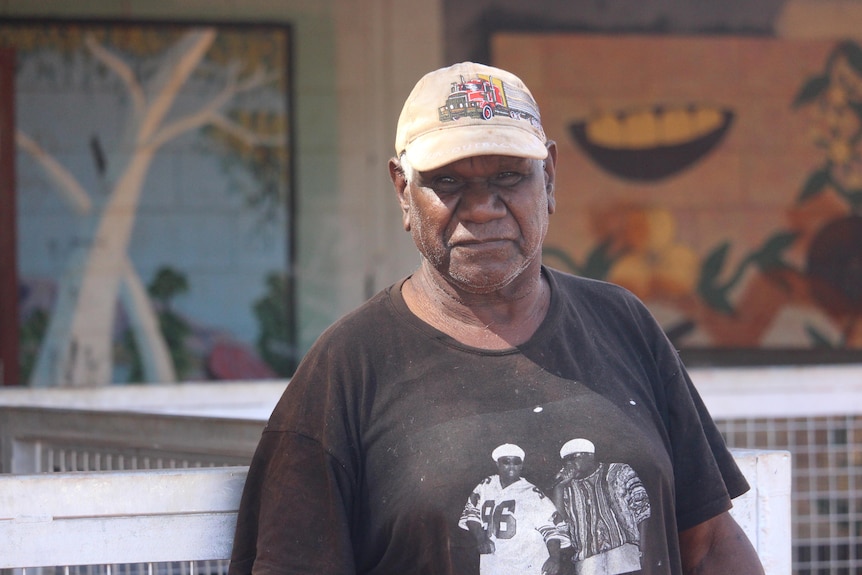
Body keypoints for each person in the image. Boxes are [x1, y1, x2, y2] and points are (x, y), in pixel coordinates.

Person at [228, 61, 765, 575]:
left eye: (509, 176)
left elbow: (710, 545)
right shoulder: (347, 369)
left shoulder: (622, 324)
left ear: (549, 177)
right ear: (402, 190)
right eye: (449, 182)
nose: (483, 206)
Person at [459, 444, 571, 575]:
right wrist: (481, 538)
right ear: (497, 463)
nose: (511, 466)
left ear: (522, 465)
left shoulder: (532, 493)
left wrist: (554, 558)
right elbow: (471, 513)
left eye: (516, 462)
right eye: (506, 461)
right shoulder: (486, 485)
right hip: (494, 562)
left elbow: (552, 528)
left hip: (526, 563)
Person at [551, 438, 651, 575]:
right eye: (566, 460)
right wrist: (559, 488)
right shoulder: (567, 488)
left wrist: (642, 549)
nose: (569, 464)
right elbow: (560, 525)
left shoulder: (619, 471)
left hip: (623, 553)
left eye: (573, 458)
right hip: (588, 561)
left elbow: (643, 509)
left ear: (590, 455)